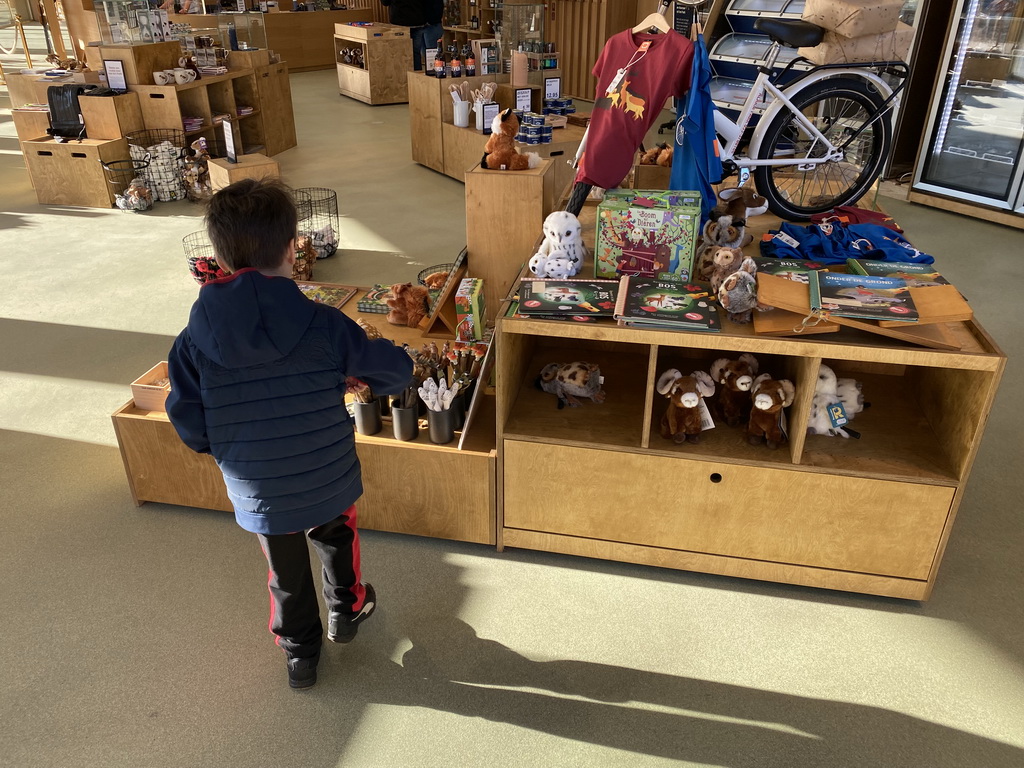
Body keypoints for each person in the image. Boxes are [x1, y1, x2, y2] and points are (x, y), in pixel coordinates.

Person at [165, 179, 414, 690]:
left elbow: (187, 416)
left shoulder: (193, 339)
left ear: (219, 253)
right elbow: (397, 373)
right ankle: (348, 609)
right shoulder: (325, 324)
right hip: (327, 475)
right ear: (294, 246)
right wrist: (356, 373)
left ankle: (301, 654)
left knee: (282, 563)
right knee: (336, 533)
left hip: (256, 483)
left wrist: (225, 450)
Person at [381, 0, 442, 71]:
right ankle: (417, 76)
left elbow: (385, 2)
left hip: (399, 22)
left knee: (400, 52)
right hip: (417, 20)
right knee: (416, 53)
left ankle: (404, 77)